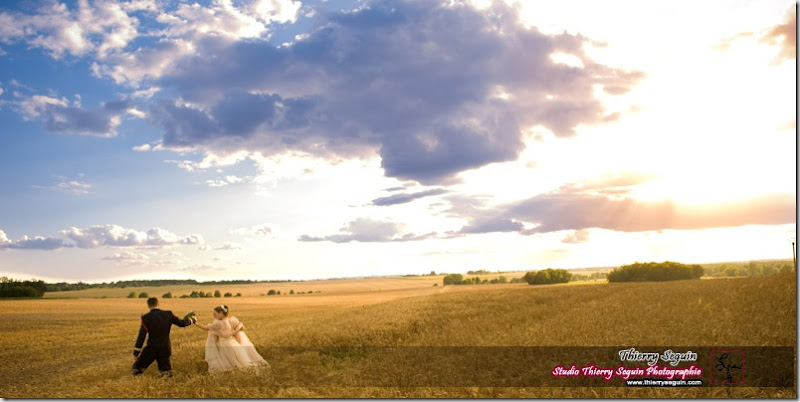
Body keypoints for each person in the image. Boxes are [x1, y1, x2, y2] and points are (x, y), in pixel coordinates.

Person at [131, 297, 196, 377]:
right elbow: (182, 323)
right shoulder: (168, 314)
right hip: (165, 348)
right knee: (166, 373)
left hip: (151, 348)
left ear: (148, 305)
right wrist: (191, 320)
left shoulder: (146, 318)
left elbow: (142, 335)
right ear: (158, 304)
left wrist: (136, 352)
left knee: (136, 369)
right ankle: (168, 387)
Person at [195, 304, 269, 372]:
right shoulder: (232, 320)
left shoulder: (218, 323)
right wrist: (237, 328)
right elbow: (242, 328)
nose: (214, 316)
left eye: (215, 314)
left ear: (220, 313)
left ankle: (235, 369)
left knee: (228, 359)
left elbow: (206, 328)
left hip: (224, 344)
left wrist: (196, 323)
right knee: (238, 358)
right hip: (233, 342)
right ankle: (244, 368)